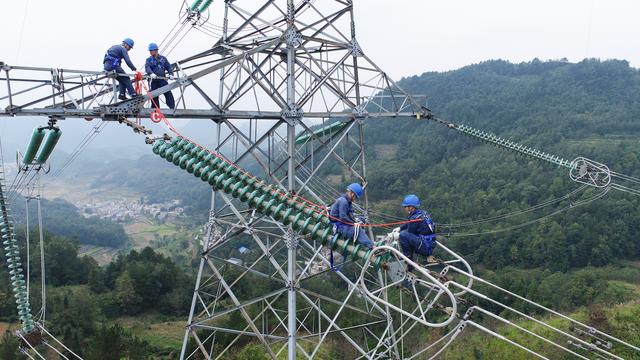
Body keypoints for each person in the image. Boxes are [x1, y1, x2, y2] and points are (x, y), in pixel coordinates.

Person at [397, 194, 436, 272]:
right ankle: (410, 259)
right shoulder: (423, 213)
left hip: (424, 247)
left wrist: (398, 234)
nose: (405, 208)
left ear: (411, 207)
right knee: (404, 234)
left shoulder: (415, 218)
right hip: (430, 244)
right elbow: (409, 223)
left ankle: (408, 260)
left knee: (403, 235)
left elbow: (409, 234)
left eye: (406, 206)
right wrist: (400, 228)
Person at [329, 183, 374, 249]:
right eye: (355, 197)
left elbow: (350, 214)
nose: (355, 199)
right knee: (358, 229)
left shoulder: (347, 201)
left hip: (343, 223)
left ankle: (364, 240)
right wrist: (354, 223)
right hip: (340, 227)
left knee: (362, 219)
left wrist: (356, 220)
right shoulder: (343, 201)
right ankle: (371, 246)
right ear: (352, 194)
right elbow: (343, 218)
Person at [145, 43, 175, 109]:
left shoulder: (163, 59)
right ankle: (155, 108)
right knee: (154, 94)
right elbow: (147, 67)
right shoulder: (149, 60)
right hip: (155, 80)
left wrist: (171, 74)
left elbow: (168, 67)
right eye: (150, 51)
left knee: (168, 92)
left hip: (162, 79)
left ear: (155, 50)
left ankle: (172, 107)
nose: (150, 52)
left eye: (151, 51)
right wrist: (151, 73)